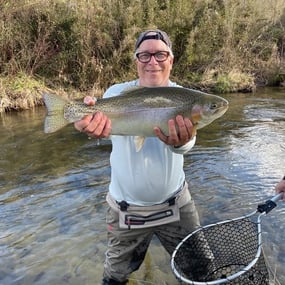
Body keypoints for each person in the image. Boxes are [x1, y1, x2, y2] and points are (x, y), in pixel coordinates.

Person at [74, 29, 203, 285]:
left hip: (177, 206)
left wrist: (184, 140)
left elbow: (188, 144)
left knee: (200, 270)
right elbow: (101, 127)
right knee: (114, 279)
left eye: (160, 54)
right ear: (136, 60)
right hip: (125, 210)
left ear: (171, 60)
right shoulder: (116, 93)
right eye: (145, 55)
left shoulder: (184, 96)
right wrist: (85, 124)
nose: (152, 61)